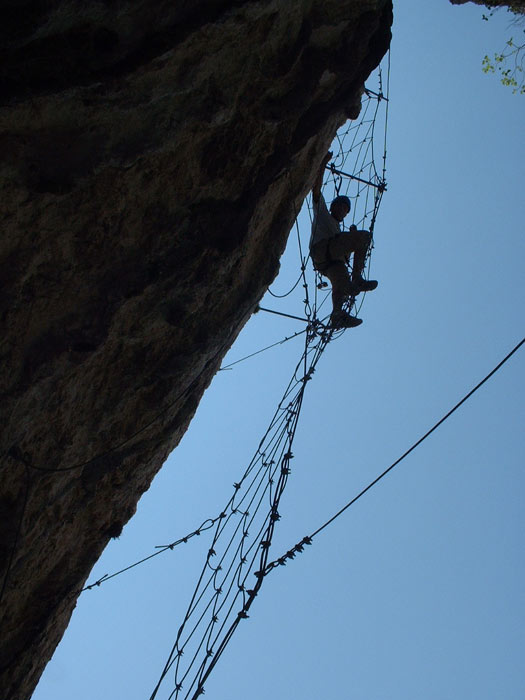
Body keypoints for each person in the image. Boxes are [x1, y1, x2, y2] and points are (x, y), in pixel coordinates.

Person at [309, 151, 378, 328]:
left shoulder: (338, 229)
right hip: (322, 251)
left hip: (328, 263)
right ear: (333, 206)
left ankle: (337, 314)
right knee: (363, 237)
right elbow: (316, 190)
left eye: (345, 209)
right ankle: (358, 278)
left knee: (346, 289)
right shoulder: (323, 213)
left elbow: (345, 253)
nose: (343, 210)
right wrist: (322, 163)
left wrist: (350, 242)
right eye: (340, 206)